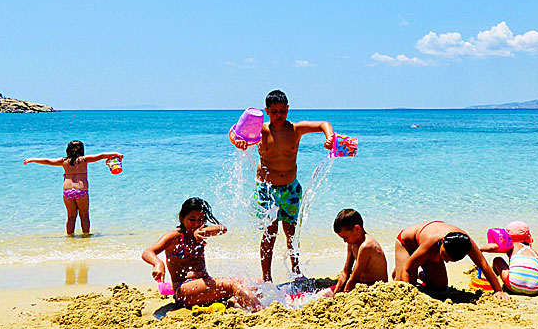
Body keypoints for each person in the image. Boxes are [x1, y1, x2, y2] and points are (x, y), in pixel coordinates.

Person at [232, 90, 334, 282]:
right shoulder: (260, 130)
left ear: (288, 109)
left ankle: (296, 272)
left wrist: (329, 137)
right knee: (269, 233)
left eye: (282, 111)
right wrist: (237, 141)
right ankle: (267, 278)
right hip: (266, 189)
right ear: (267, 111)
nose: (279, 115)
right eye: (274, 111)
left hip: (290, 189)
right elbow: (234, 131)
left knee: (291, 233)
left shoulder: (295, 129)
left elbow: (323, 124)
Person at [142, 197, 262, 311]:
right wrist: (158, 263)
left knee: (258, 284)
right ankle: (260, 312)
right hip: (184, 290)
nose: (196, 224)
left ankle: (233, 301)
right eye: (191, 220)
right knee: (234, 284)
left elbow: (223, 229)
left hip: (204, 287)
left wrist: (204, 231)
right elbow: (148, 252)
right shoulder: (175, 237)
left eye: (201, 220)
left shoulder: (201, 232)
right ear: (181, 218)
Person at [23, 140, 123, 235]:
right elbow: (101, 156)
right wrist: (116, 154)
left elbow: (47, 161)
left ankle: (70, 236)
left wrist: (32, 160)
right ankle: (86, 235)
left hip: (67, 192)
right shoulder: (84, 160)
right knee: (84, 215)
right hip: (81, 191)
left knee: (71, 217)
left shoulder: (63, 161)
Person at [394, 221, 508, 299]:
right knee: (406, 282)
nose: (446, 262)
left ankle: (420, 273)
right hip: (407, 245)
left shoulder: (466, 243)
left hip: (430, 252)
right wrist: (408, 294)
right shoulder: (432, 241)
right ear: (442, 242)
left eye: (449, 260)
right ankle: (399, 269)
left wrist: (498, 290)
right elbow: (408, 269)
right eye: (444, 256)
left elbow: (483, 265)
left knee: (440, 286)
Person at [488, 221, 538, 296]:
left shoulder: (511, 246)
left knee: (498, 260)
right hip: (534, 289)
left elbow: (496, 249)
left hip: (512, 286)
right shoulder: (534, 252)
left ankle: (494, 278)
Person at [331, 209, 388, 295]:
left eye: (345, 237)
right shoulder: (352, 243)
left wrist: (341, 296)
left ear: (357, 229)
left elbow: (353, 279)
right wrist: (336, 292)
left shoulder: (367, 246)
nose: (344, 241)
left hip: (375, 288)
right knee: (322, 294)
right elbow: (345, 272)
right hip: (360, 284)